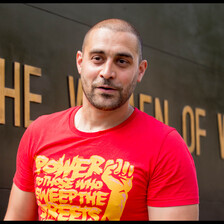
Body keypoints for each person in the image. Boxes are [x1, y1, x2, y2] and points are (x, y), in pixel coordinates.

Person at [4, 18, 199, 221]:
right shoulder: (39, 132)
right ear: (80, 62)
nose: (107, 73)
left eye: (122, 61)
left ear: (140, 71)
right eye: (97, 58)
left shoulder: (165, 146)